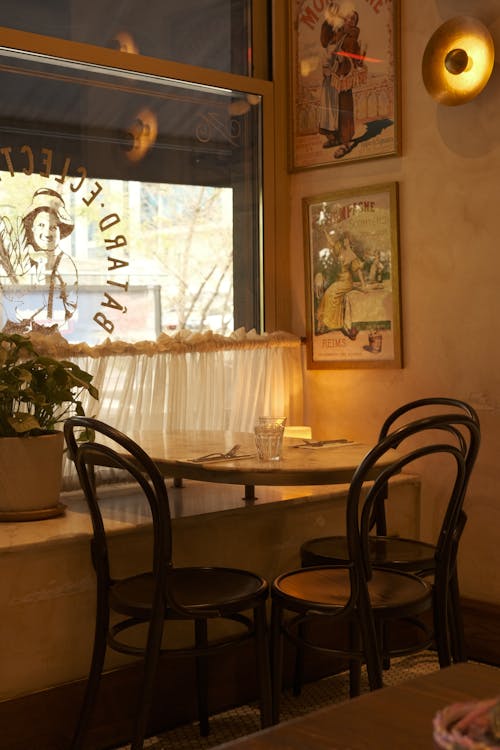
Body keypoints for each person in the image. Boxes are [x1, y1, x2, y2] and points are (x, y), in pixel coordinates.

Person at [19, 187, 78, 328]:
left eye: (53, 227)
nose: (47, 232)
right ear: (31, 228)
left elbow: (71, 304)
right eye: (41, 225)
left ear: (60, 231)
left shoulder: (65, 263)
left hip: (53, 334)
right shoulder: (20, 259)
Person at [318, 3, 367, 158]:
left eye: (354, 18)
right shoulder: (337, 31)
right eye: (348, 17)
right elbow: (325, 41)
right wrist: (328, 20)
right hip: (332, 74)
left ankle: (346, 141)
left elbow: (353, 52)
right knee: (331, 107)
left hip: (343, 75)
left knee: (344, 107)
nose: (351, 20)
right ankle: (334, 137)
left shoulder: (352, 35)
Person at [316, 233, 365, 339]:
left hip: (346, 281)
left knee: (331, 292)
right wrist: (325, 232)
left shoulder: (352, 254)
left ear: (350, 243)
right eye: (344, 240)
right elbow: (332, 243)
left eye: (347, 241)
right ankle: (330, 324)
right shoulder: (341, 250)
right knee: (329, 294)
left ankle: (328, 324)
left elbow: (358, 271)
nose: (345, 242)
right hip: (339, 280)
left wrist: (363, 284)